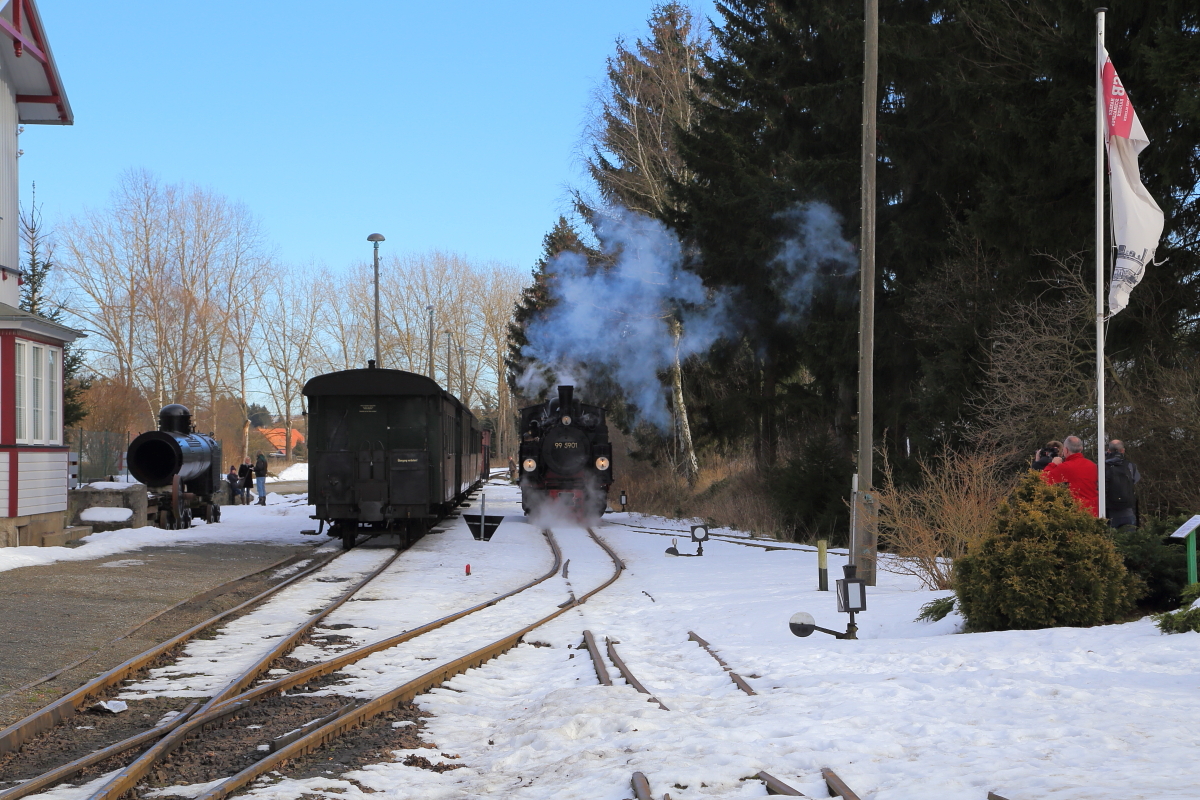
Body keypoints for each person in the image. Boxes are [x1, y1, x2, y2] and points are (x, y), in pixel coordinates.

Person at [1041, 435, 1099, 517]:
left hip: (1076, 513)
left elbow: (1043, 480)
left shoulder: (1065, 467)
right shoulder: (1093, 465)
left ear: (1066, 450)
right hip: (1095, 511)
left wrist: (1052, 464)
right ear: (1081, 449)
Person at [1105, 439, 1141, 528]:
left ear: (1108, 451)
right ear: (1123, 451)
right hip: (1128, 510)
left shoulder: (1102, 466)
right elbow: (1135, 480)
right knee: (1129, 540)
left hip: (1109, 512)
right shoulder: (1130, 466)